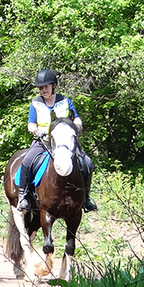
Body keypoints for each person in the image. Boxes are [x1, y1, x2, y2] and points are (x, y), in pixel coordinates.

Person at [16, 69, 98, 212]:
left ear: (54, 85)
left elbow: (76, 117)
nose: (43, 90)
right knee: (27, 161)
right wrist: (36, 130)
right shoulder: (35, 102)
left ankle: (86, 198)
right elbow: (30, 124)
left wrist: (78, 125)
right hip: (44, 141)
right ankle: (23, 195)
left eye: (46, 86)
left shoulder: (65, 101)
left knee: (88, 163)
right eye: (41, 88)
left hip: (65, 142)